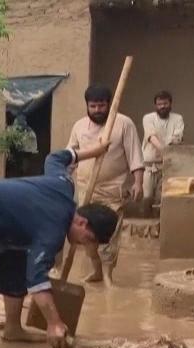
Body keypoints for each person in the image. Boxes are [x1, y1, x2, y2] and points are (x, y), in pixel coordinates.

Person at [0, 146, 119, 348]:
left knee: (16, 264)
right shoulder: (54, 229)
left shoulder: (64, 184)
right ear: (82, 222)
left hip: (2, 227)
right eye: (89, 239)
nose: (84, 245)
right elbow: (37, 279)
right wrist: (54, 322)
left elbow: (55, 158)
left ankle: (13, 329)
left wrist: (92, 152)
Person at [68, 85, 144, 285]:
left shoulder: (123, 124)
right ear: (87, 105)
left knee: (111, 234)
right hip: (87, 189)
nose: (97, 110)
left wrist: (138, 182)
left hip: (113, 190)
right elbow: (71, 155)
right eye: (93, 106)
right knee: (88, 235)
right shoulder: (79, 126)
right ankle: (96, 271)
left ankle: (109, 275)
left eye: (101, 106)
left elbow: (135, 154)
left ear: (109, 104)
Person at [142, 91, 185, 212]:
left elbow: (177, 138)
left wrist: (167, 153)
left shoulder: (177, 118)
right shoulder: (148, 118)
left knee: (163, 198)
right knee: (147, 196)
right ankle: (147, 222)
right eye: (159, 104)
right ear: (155, 105)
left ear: (170, 104)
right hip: (149, 165)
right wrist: (164, 151)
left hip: (169, 165)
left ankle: (161, 225)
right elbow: (151, 136)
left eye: (165, 103)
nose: (162, 106)